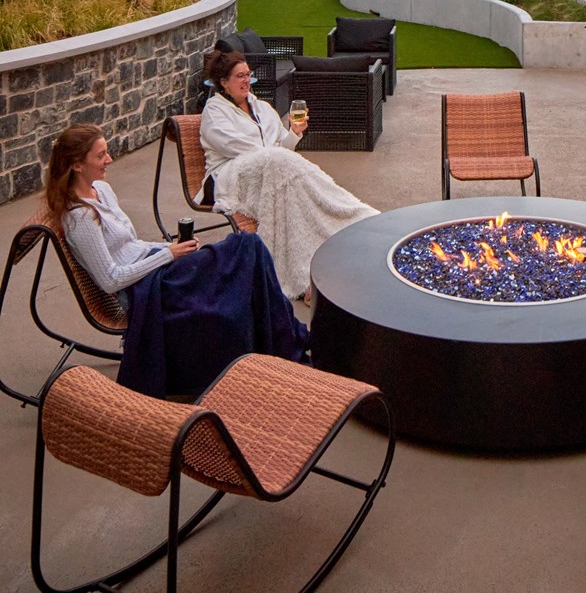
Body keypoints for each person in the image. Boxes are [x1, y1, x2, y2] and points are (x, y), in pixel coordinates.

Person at [49, 124, 308, 399]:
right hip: (149, 289)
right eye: (100, 156)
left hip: (159, 266)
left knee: (247, 249)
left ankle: (282, 337)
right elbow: (111, 278)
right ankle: (284, 339)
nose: (109, 160)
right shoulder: (80, 218)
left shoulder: (101, 189)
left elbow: (132, 245)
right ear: (77, 164)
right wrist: (168, 255)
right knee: (245, 250)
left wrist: (172, 247)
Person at [201, 49, 378, 299]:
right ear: (223, 82)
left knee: (297, 195)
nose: (245, 81)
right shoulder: (214, 110)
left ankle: (343, 218)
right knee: (281, 163)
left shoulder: (262, 108)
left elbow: (282, 149)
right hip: (229, 176)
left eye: (248, 75)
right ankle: (301, 269)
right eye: (239, 76)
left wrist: (294, 132)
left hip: (271, 171)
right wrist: (273, 154)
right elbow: (231, 146)